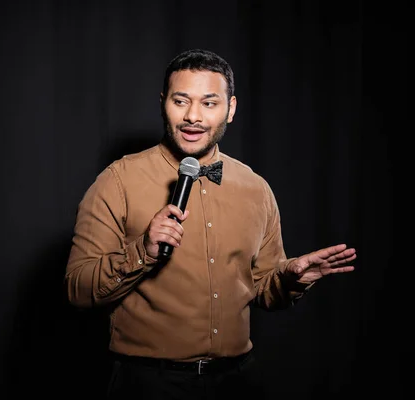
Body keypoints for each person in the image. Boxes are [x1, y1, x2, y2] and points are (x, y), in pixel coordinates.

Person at [64, 48, 356, 399]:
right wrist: (142, 251)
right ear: (162, 103)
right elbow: (78, 291)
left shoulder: (256, 188)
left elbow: (263, 289)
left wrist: (290, 280)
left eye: (209, 103)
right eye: (181, 101)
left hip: (237, 382)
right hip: (147, 384)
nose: (193, 117)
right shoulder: (118, 180)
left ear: (230, 109)